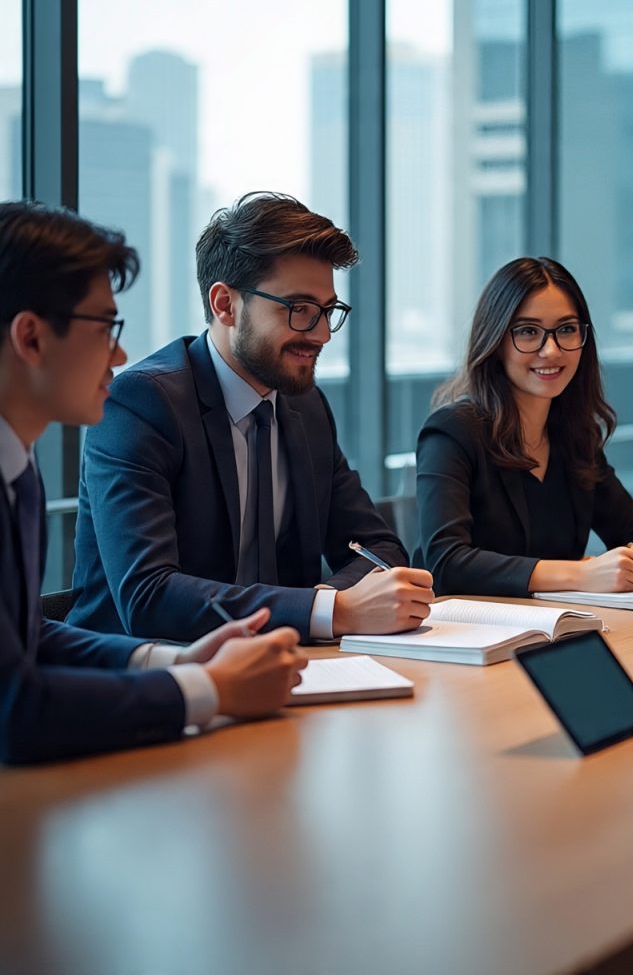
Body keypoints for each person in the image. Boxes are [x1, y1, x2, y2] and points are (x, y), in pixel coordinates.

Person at [0, 200, 308, 764]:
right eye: (104, 328)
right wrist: (210, 690)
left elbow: (27, 640)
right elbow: (12, 707)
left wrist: (175, 663)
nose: (118, 355)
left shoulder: (16, 465)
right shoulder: (141, 402)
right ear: (31, 338)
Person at [69, 192, 433, 643]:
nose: (320, 334)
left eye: (327, 311)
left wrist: (325, 607)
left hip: (284, 666)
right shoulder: (142, 404)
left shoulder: (305, 406)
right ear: (225, 304)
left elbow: (379, 548)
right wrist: (333, 611)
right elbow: (148, 596)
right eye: (299, 310)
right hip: (142, 680)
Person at [416, 256, 633, 597]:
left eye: (566, 329)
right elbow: (446, 562)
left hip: (558, 625)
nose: (551, 350)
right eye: (528, 332)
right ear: (495, 341)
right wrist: (580, 574)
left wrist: (615, 567)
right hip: (469, 632)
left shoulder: (575, 436)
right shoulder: (452, 432)